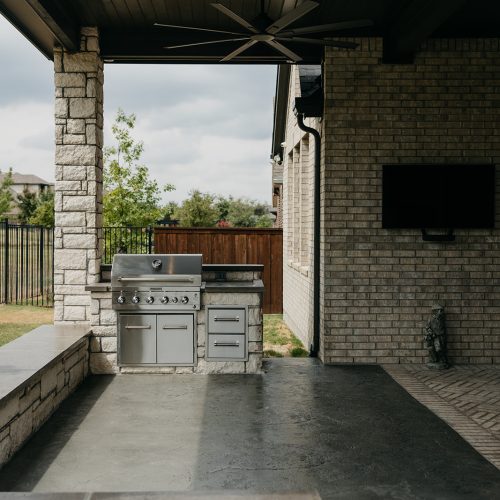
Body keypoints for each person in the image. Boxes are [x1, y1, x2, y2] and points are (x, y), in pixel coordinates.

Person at [424, 304, 449, 369]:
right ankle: (435, 359)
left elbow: (443, 328)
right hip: (435, 336)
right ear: (435, 311)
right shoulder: (430, 319)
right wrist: (431, 333)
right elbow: (427, 327)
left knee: (442, 348)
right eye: (439, 310)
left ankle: (442, 360)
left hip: (441, 336)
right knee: (437, 349)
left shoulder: (441, 319)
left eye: (441, 311)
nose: (440, 312)